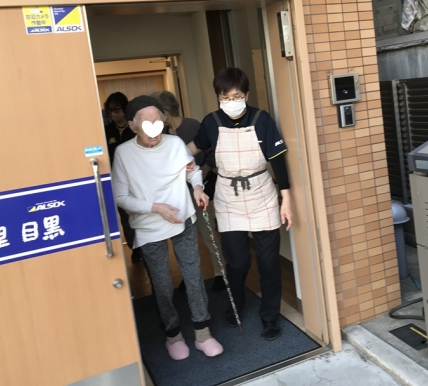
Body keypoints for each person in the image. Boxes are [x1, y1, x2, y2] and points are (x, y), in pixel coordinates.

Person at [113, 95, 224, 360]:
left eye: (158, 122)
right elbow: (120, 197)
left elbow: (192, 171)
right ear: (133, 126)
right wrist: (156, 207)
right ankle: (173, 335)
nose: (154, 129)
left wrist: (197, 188)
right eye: (146, 123)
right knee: (162, 284)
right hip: (149, 227)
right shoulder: (124, 153)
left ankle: (202, 332)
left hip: (184, 219)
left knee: (193, 276)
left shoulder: (174, 144)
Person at [188, 68, 293, 342]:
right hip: (227, 197)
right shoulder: (211, 122)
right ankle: (235, 305)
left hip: (261, 194)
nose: (231, 102)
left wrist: (287, 200)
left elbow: (278, 159)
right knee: (237, 262)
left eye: (236, 96)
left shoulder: (261, 119)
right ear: (218, 98)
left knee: (269, 262)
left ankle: (270, 317)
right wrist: (167, 154)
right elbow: (192, 150)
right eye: (225, 97)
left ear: (246, 94)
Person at [150, 90, 226, 292]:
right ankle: (190, 275)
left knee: (207, 233)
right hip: (177, 194)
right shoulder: (163, 135)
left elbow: (212, 151)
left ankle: (221, 272)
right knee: (183, 237)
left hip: (199, 188)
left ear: (166, 111)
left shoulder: (191, 126)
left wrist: (204, 172)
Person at [103, 92, 141, 262]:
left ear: (125, 110)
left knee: (139, 212)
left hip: (136, 177)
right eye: (110, 111)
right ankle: (135, 247)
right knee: (125, 217)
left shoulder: (134, 129)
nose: (113, 114)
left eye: (117, 110)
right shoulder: (106, 131)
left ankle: (146, 245)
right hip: (116, 181)